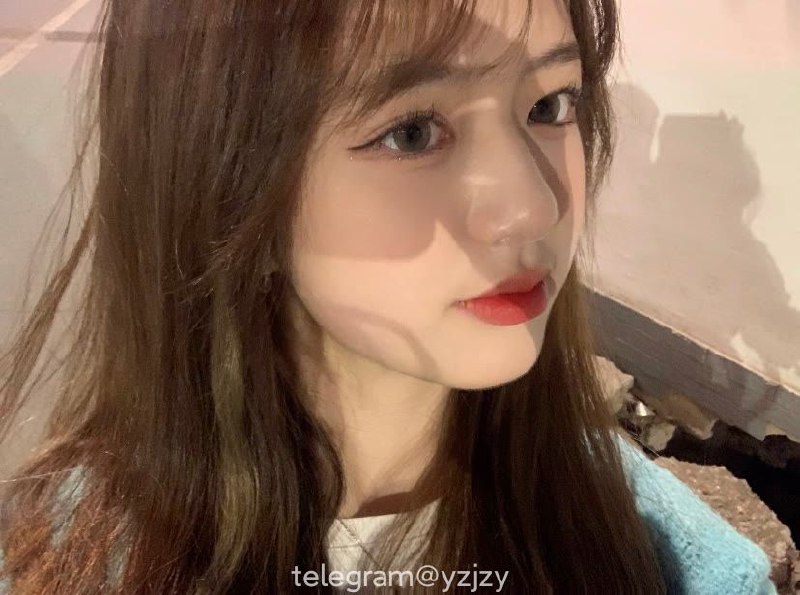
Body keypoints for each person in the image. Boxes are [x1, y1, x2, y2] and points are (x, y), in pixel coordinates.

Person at [0, 0, 775, 593]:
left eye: (549, 106)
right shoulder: (71, 551)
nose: (535, 207)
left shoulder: (671, 562)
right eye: (412, 132)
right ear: (224, 179)